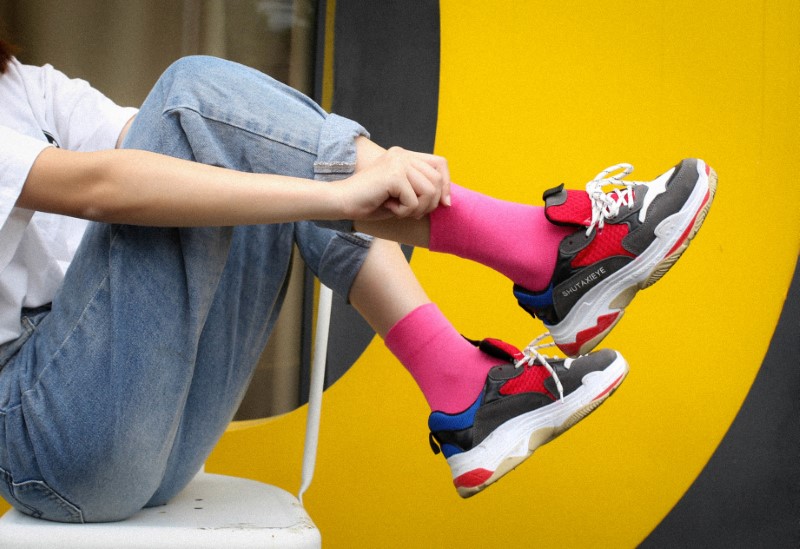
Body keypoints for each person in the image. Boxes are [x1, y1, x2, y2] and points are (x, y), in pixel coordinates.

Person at [0, 41, 716, 522]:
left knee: (248, 145)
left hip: (155, 434)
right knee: (197, 94)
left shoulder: (23, 87)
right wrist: (341, 191)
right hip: (53, 446)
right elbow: (100, 188)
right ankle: (545, 253)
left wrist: (342, 173)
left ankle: (468, 390)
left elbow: (190, 145)